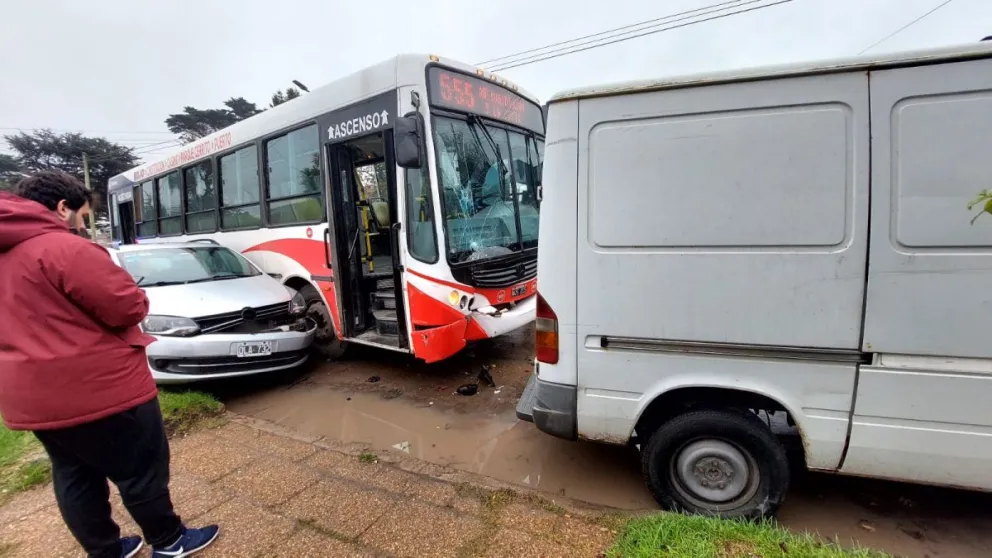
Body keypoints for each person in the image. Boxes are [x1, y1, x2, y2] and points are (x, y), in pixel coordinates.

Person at [0, 171, 219, 558]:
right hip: (99, 391)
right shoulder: (63, 249)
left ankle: (105, 551)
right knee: (140, 470)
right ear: (62, 208)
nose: (83, 225)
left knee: (74, 475)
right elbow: (126, 307)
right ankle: (168, 542)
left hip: (29, 399)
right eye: (83, 216)